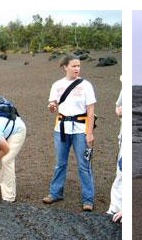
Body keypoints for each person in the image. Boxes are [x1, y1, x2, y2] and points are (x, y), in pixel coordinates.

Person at [43, 55, 97, 211]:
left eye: (78, 66)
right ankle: (55, 193)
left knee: (84, 165)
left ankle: (88, 199)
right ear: (65, 67)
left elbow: (91, 110)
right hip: (61, 128)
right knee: (60, 163)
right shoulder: (57, 85)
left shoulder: (86, 85)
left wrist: (89, 133)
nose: (77, 68)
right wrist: (52, 106)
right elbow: (53, 103)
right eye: (73, 66)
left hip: (80, 129)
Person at [107, 79, 123, 222]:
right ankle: (115, 208)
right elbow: (117, 108)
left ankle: (119, 209)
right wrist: (120, 112)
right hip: (123, 136)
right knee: (121, 171)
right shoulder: (124, 90)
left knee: (122, 171)